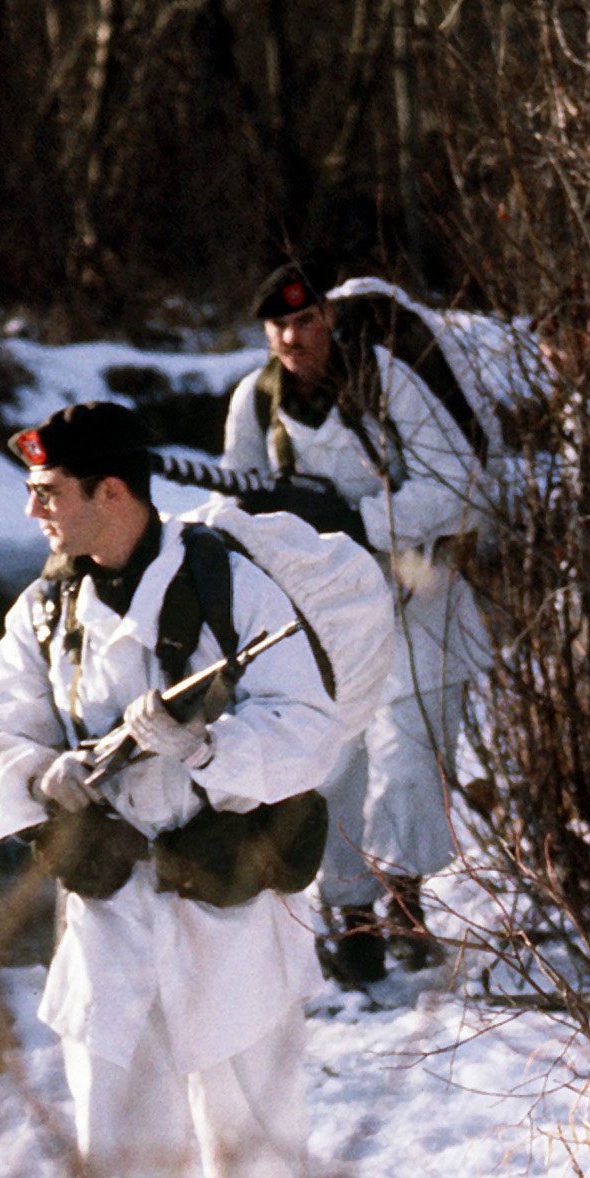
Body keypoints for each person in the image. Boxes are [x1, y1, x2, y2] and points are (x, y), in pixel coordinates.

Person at [0, 400, 343, 1178]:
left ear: (111, 491)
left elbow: (311, 735)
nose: (33, 512)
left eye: (48, 492)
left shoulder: (229, 586)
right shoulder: (46, 610)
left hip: (231, 900)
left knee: (255, 1129)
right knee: (117, 1144)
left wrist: (206, 749)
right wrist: (44, 774)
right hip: (112, 909)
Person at [224, 262, 495, 986]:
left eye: (304, 319)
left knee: (411, 758)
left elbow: (461, 484)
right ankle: (355, 920)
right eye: (277, 325)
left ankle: (406, 904)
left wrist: (359, 520)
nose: (291, 336)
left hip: (415, 589)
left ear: (328, 319)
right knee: (336, 764)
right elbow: (238, 508)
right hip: (324, 613)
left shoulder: (385, 382)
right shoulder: (255, 403)